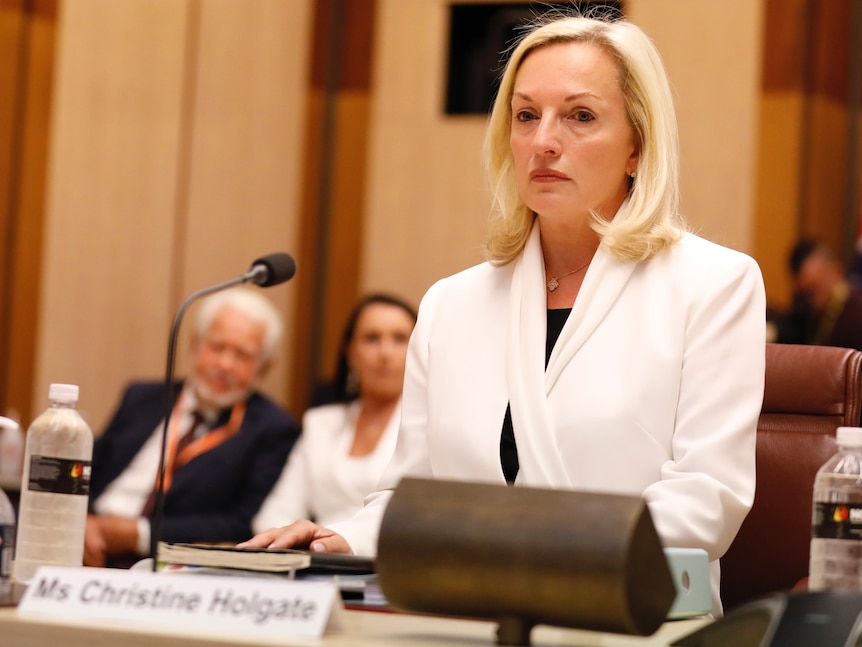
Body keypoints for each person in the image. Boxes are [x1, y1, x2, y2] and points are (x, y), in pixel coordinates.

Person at [240, 12, 766, 615]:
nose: (544, 140)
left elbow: (706, 500)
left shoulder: (713, 285)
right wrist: (342, 539)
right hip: (465, 614)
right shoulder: (450, 305)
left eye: (580, 116)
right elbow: (414, 497)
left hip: (630, 617)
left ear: (637, 147)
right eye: (525, 115)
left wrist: (527, 556)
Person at [85, 287, 300, 567]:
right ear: (195, 344)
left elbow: (241, 524)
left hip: (160, 563)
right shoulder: (141, 398)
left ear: (263, 368)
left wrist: (138, 535)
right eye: (217, 347)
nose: (225, 364)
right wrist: (81, 522)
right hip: (84, 542)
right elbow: (88, 472)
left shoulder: (271, 430)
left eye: (242, 356)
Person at [252, 293, 417, 532]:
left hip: (388, 561)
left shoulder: (426, 426)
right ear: (350, 352)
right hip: (316, 558)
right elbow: (276, 514)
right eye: (372, 338)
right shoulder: (320, 423)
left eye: (400, 339)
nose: (385, 353)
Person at [780, 238, 862, 350]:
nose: (811, 300)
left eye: (815, 288)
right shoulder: (808, 318)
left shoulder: (855, 318)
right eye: (805, 293)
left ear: (837, 272)